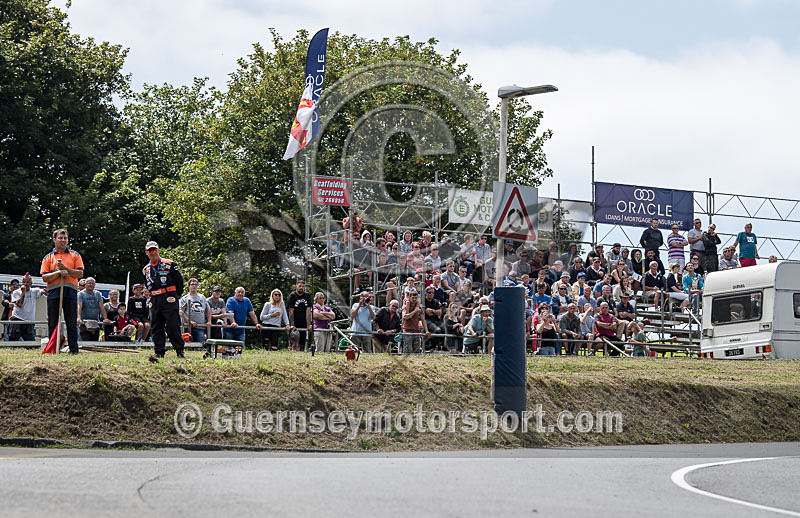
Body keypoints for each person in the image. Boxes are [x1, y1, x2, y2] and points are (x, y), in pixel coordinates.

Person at [40, 229, 84, 354]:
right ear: (54, 240)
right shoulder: (48, 257)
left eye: (65, 238)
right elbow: (44, 277)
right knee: (53, 322)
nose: (63, 240)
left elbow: (80, 273)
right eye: (60, 238)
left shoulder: (75, 255)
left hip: (70, 292)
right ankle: (53, 348)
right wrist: (59, 272)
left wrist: (66, 270)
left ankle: (73, 349)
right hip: (54, 293)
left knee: (71, 322)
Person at [143, 241, 186, 359]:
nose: (152, 253)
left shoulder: (169, 264)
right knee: (156, 326)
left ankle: (179, 350)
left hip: (169, 297)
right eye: (150, 251)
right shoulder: (146, 269)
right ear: (146, 253)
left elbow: (179, 280)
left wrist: (177, 294)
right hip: (154, 299)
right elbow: (147, 284)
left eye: (154, 250)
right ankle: (159, 351)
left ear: (158, 250)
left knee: (173, 325)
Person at [8, 274, 44, 341]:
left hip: (29, 322)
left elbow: (42, 291)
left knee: (31, 344)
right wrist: (23, 293)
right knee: (12, 342)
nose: (25, 284)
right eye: (24, 282)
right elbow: (19, 304)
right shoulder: (16, 292)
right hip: (17, 319)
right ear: (22, 283)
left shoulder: (34, 291)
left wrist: (44, 291)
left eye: (27, 282)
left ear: (31, 283)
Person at [76, 277, 110, 342]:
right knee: (85, 340)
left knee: (94, 341)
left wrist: (105, 318)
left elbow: (101, 307)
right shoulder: (80, 294)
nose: (91, 285)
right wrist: (79, 318)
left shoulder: (97, 294)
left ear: (94, 285)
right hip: (84, 322)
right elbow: (79, 306)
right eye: (89, 283)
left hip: (95, 322)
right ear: (85, 284)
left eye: (92, 283)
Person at [180, 278, 211, 344]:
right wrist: (189, 321)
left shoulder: (202, 297)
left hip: (200, 326)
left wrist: (209, 321)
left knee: (200, 345)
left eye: (196, 284)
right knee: (187, 346)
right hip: (187, 327)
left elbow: (208, 310)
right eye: (192, 284)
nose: (194, 286)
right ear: (189, 286)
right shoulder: (185, 298)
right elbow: (181, 311)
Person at [287, 280, 313, 351]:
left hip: (303, 323)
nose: (301, 288)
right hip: (295, 322)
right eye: (300, 286)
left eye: (303, 286)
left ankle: (301, 355)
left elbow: (308, 311)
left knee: (302, 343)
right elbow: (291, 311)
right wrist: (292, 324)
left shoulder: (307, 296)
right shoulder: (292, 296)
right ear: (296, 286)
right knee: (294, 343)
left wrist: (308, 324)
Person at [401, 288, 429, 353]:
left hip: (416, 330)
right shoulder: (405, 306)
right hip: (407, 330)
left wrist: (426, 330)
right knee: (407, 350)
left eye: (415, 298)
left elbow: (423, 320)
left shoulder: (419, 307)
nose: (414, 299)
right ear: (409, 297)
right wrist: (415, 310)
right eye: (413, 298)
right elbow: (405, 317)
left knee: (417, 351)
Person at [423, 285, 446, 350]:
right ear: (426, 293)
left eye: (432, 293)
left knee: (445, 329)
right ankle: (435, 346)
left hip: (436, 320)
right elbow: (428, 313)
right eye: (429, 292)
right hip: (426, 320)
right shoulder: (423, 301)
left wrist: (432, 311)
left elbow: (440, 312)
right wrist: (435, 312)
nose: (431, 294)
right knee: (437, 330)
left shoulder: (435, 301)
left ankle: (443, 346)